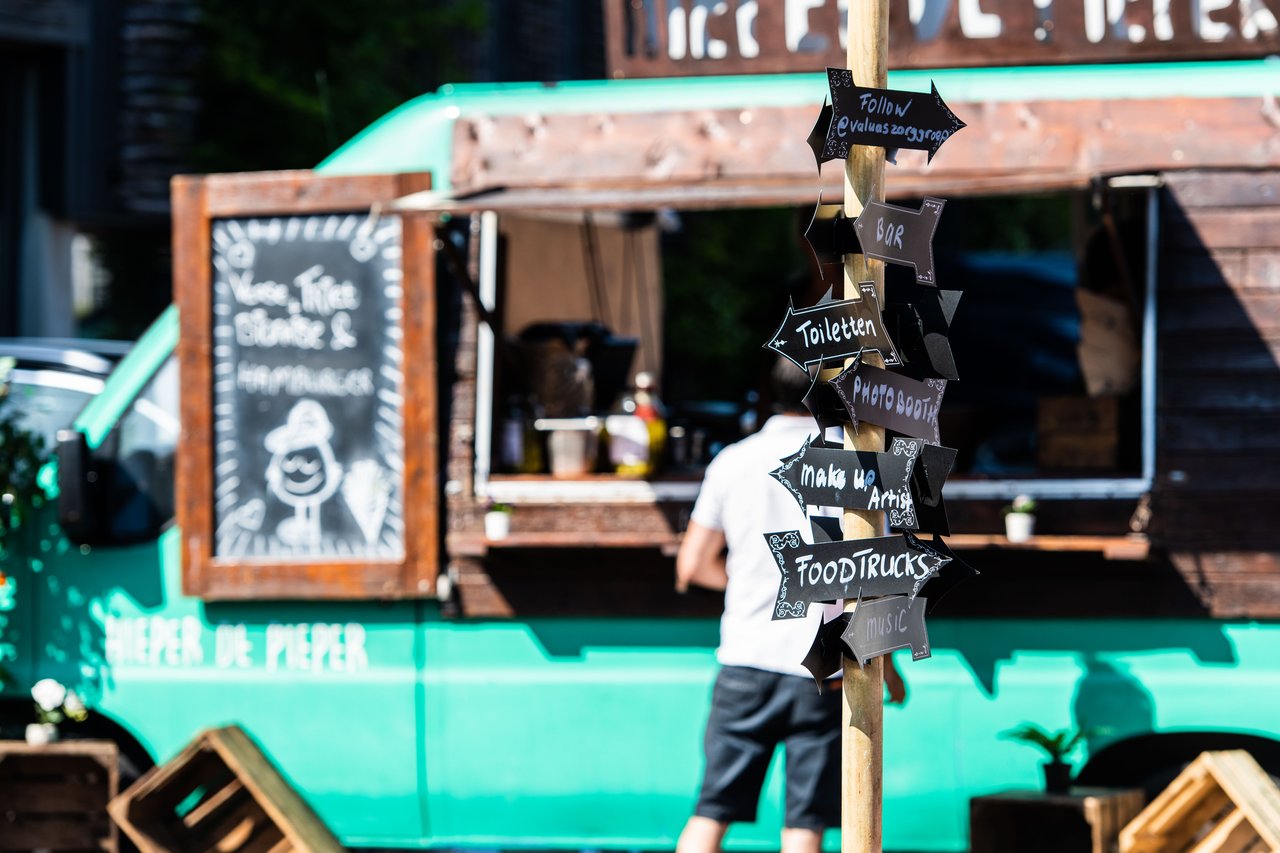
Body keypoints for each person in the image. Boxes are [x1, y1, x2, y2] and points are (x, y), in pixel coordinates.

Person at [675, 357, 905, 853]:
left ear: (768, 392)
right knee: (805, 824)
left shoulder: (732, 460)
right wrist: (890, 671)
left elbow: (692, 566)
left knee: (711, 812)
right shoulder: (858, 466)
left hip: (745, 661)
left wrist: (753, 582)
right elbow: (873, 578)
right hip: (823, 669)